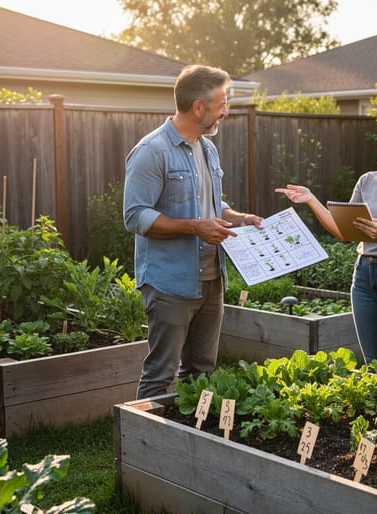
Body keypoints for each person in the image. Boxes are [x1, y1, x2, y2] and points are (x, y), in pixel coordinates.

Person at [124, 65, 263, 399]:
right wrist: (195, 228)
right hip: (170, 282)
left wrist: (240, 217)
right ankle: (144, 448)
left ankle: (190, 446)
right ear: (198, 107)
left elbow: (210, 205)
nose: (226, 112)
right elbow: (136, 216)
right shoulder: (152, 151)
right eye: (221, 105)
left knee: (202, 373)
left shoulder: (207, 148)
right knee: (160, 375)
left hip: (212, 280)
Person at [276, 113, 377, 379]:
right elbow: (345, 232)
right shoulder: (368, 181)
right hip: (364, 278)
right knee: (374, 370)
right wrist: (310, 199)